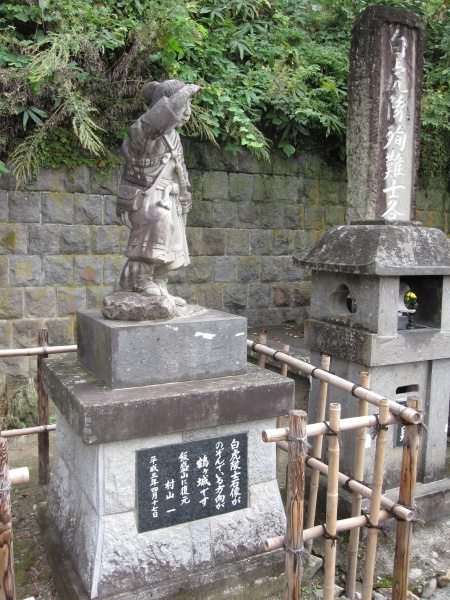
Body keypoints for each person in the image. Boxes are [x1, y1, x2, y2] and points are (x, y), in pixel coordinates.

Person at [116, 79, 201, 307]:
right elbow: (154, 124)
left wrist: (185, 192)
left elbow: (179, 167)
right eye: (183, 105)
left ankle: (161, 285)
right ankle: (141, 281)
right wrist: (184, 92)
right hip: (147, 199)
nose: (187, 112)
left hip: (169, 197)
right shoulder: (142, 133)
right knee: (160, 224)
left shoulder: (174, 136)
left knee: (173, 239)